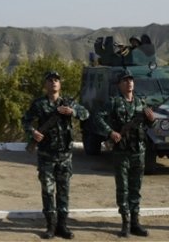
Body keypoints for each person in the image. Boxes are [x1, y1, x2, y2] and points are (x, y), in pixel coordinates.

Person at [22, 71, 89, 239]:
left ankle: (62, 226)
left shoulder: (68, 102)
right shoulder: (39, 104)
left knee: (63, 191)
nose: (54, 82)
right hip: (46, 155)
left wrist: (72, 112)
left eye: (56, 80)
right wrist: (33, 132)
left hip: (65, 156)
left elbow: (86, 114)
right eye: (50, 80)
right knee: (48, 191)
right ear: (45, 84)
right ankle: (50, 226)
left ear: (60, 84)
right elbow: (26, 120)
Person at [94, 69, 155, 237]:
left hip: (138, 151)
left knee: (136, 188)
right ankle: (125, 223)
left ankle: (135, 222)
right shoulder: (113, 102)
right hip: (121, 151)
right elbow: (97, 117)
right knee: (123, 188)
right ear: (119, 84)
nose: (129, 83)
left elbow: (150, 126)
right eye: (125, 81)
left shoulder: (141, 102)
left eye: (131, 80)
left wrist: (152, 120)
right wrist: (110, 132)